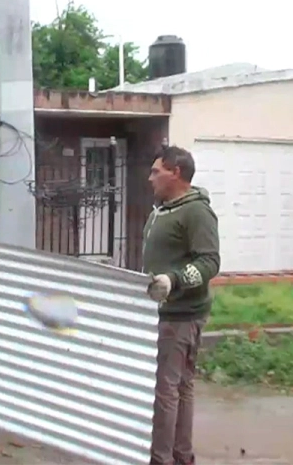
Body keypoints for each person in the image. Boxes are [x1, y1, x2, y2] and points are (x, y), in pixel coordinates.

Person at [144, 146, 220, 465]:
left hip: (181, 316)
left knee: (168, 390)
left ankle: (163, 458)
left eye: (156, 172)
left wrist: (174, 280)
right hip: (164, 312)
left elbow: (209, 261)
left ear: (176, 173)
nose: (150, 178)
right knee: (179, 388)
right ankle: (180, 455)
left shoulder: (196, 212)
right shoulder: (163, 209)